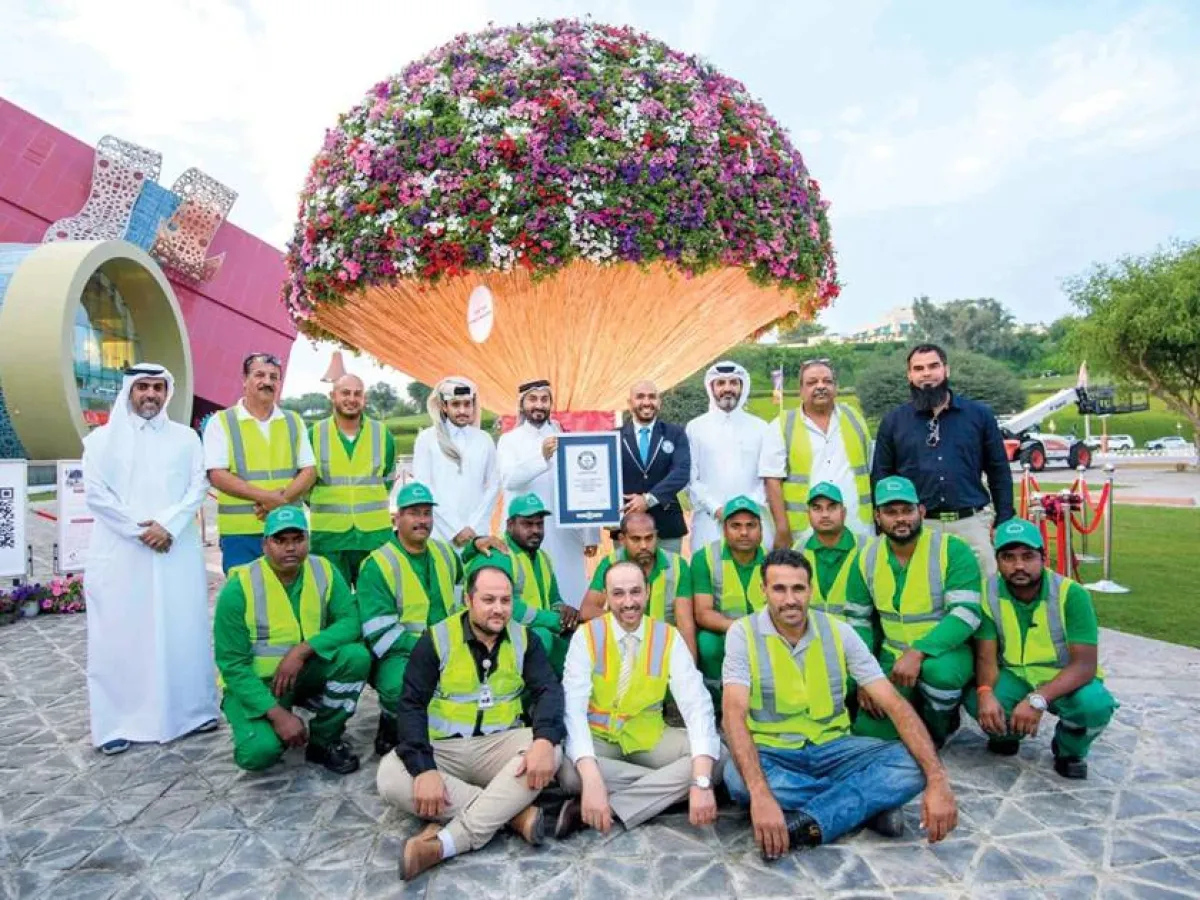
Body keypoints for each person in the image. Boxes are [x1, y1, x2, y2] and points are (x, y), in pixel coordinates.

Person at [722, 548, 958, 858]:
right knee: (737, 781)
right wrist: (761, 794)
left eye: (798, 588)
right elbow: (733, 714)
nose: (790, 599)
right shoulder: (742, 633)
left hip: (835, 749)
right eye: (779, 589)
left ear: (811, 589)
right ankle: (865, 805)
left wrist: (939, 781)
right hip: (774, 751)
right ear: (763, 590)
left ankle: (814, 817)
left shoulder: (838, 631)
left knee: (915, 764)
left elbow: (894, 704)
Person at [378, 558, 565, 880]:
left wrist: (545, 741)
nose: (498, 609)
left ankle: (444, 845)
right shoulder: (436, 639)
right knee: (390, 776)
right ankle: (513, 814)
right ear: (468, 600)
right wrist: (424, 770)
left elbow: (549, 690)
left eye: (506, 601)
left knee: (552, 751)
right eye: (488, 600)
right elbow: (411, 705)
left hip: (498, 746)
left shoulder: (525, 639)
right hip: (444, 750)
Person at [82, 364, 218, 755]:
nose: (151, 395)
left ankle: (191, 713)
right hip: (123, 554)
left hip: (174, 551)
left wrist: (169, 526)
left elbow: (198, 486)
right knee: (120, 637)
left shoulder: (187, 438)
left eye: (158, 387)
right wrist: (140, 530)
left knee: (181, 630)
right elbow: (96, 493)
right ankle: (116, 723)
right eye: (143, 387)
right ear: (129, 391)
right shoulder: (100, 441)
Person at [555, 560, 721, 838]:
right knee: (570, 771)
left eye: (635, 592)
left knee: (715, 762)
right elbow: (573, 709)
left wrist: (702, 780)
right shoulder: (587, 636)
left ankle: (610, 804)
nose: (628, 602)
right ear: (606, 597)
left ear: (647, 592)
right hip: (599, 739)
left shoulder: (667, 636)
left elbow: (696, 704)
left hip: (650, 737)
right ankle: (662, 790)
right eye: (618, 594)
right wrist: (592, 776)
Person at [212, 505, 368, 774]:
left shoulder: (324, 570)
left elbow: (351, 621)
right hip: (258, 684)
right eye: (280, 540)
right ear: (264, 544)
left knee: (356, 657)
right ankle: (269, 723)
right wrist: (277, 715)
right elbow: (232, 665)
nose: (290, 548)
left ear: (308, 540)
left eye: (297, 539)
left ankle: (323, 740)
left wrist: (302, 651)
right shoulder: (239, 588)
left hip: (304, 671)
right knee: (258, 754)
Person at [965, 519, 1118, 779]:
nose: (1019, 566)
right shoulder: (987, 592)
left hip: (1062, 675)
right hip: (1013, 674)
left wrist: (1038, 700)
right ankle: (1007, 734)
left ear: (1043, 557)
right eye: (1008, 557)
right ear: (998, 560)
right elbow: (986, 655)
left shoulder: (1072, 594)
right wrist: (985, 692)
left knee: (1094, 705)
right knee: (978, 701)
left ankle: (1069, 749)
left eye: (1028, 556)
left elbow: (1084, 665)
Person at [844, 477, 983, 747]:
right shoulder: (864, 557)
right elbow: (858, 621)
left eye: (907, 510)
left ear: (921, 511)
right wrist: (866, 675)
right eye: (891, 512)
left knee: (940, 676)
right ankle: (909, 704)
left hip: (944, 652)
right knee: (869, 735)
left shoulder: (952, 549)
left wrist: (918, 651)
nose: (900, 519)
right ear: (877, 516)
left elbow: (967, 613)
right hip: (891, 655)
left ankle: (939, 723)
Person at [871, 343, 1015, 576]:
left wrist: (1004, 518)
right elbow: (881, 477)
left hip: (971, 524)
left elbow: (999, 471)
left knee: (986, 597)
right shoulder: (894, 422)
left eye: (933, 366)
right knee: (924, 597)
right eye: (918, 368)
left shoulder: (979, 416)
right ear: (909, 375)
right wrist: (883, 525)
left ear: (946, 370)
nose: (926, 373)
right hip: (918, 527)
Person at [357, 481, 471, 756]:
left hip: (447, 646)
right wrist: (431, 649)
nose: (422, 520)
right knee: (400, 687)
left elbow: (463, 602)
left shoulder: (446, 554)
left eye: (426, 513)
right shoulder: (378, 564)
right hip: (399, 653)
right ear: (397, 518)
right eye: (414, 513)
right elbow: (379, 633)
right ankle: (391, 722)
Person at [204, 352, 316, 573]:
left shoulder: (293, 421)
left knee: (289, 598)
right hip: (241, 533)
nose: (267, 382)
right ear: (244, 380)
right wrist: (267, 499)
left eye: (274, 377)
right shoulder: (222, 422)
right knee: (246, 596)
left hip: (288, 529)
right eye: (260, 375)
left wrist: (279, 501)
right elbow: (217, 475)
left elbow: (309, 471)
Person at [496, 378, 598, 604]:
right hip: (525, 531)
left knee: (571, 591)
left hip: (566, 531)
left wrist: (591, 533)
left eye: (544, 399)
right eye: (532, 399)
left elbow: (585, 485)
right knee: (529, 591)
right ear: (522, 404)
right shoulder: (509, 441)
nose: (539, 405)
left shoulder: (567, 438)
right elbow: (509, 479)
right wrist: (541, 457)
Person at [462, 493, 580, 675]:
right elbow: (506, 607)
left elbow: (553, 598)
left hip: (536, 635)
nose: (535, 530)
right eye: (527, 524)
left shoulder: (543, 558)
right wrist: (553, 620)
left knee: (581, 639)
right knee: (542, 637)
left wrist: (563, 612)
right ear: (510, 525)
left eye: (539, 524)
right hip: (499, 636)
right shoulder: (500, 556)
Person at [686, 361, 787, 550]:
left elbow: (767, 477)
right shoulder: (695, 428)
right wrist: (716, 509)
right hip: (709, 522)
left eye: (734, 383)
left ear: (742, 387)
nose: (728, 388)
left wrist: (744, 510)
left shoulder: (761, 427)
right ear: (711, 388)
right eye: (721, 383)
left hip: (753, 519)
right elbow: (691, 478)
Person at [308, 373, 396, 585]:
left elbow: (388, 479)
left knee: (376, 603)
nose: (351, 398)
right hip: (329, 537)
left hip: (374, 536)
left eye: (358, 394)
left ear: (364, 398)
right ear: (333, 396)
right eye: (345, 393)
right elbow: (305, 484)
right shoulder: (314, 435)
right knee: (333, 605)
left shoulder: (382, 434)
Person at [773, 360, 873, 545]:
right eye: (812, 382)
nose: (820, 386)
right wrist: (782, 528)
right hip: (804, 533)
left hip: (857, 527)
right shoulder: (782, 424)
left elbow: (871, 468)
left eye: (827, 381)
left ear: (836, 387)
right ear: (800, 390)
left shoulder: (854, 418)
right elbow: (772, 480)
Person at [580, 512, 694, 658]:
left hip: (663, 644)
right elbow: (587, 610)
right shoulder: (610, 563)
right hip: (622, 641)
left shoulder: (678, 565)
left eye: (649, 538)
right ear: (622, 539)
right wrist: (630, 624)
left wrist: (691, 671)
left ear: (656, 536)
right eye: (636, 539)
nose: (644, 545)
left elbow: (686, 626)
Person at [690, 496, 767, 696]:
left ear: (761, 529)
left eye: (751, 525)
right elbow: (703, 613)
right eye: (736, 526)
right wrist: (740, 629)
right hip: (723, 630)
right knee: (707, 644)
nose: (744, 532)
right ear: (724, 529)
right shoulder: (704, 557)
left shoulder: (773, 559)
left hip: (765, 632)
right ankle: (717, 700)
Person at [412, 375, 499, 548]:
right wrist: (455, 529)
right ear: (444, 406)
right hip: (439, 533)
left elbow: (493, 486)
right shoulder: (427, 439)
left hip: (477, 536)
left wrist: (473, 528)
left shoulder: (484, 439)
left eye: (467, 404)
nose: (462, 410)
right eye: (456, 404)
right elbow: (425, 489)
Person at [618, 380, 691, 554]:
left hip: (667, 525)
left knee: (669, 578)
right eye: (640, 397)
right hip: (628, 525)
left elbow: (681, 472)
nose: (646, 402)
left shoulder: (675, 433)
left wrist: (648, 499)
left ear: (659, 402)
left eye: (652, 396)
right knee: (628, 579)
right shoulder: (613, 437)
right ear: (629, 403)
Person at [791, 482, 867, 620]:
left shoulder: (866, 548)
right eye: (817, 508)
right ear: (808, 514)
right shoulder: (798, 550)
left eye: (832, 507)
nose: (825, 514)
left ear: (843, 513)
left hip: (856, 637)